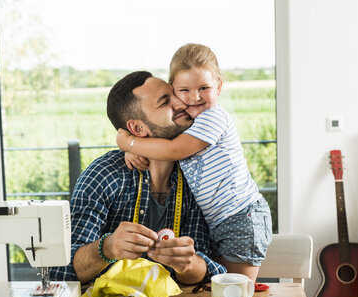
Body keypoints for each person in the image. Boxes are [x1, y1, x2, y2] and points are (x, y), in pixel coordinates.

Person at [50, 71, 226, 284]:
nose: (182, 103)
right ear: (138, 128)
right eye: (165, 102)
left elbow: (208, 271)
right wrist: (106, 248)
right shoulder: (102, 176)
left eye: (175, 95)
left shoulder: (197, 175)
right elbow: (61, 270)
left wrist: (188, 263)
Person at [116, 44, 272, 282]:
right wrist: (134, 145)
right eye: (184, 90)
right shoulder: (191, 122)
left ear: (219, 86)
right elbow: (160, 142)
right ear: (173, 90)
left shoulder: (213, 117)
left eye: (204, 88)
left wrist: (129, 143)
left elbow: (173, 150)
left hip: (241, 216)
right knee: (218, 289)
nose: (195, 97)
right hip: (220, 220)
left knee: (236, 292)